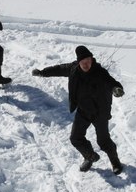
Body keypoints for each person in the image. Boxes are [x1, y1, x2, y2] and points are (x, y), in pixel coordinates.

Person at [32, 45, 125, 174]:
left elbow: (110, 81)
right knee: (75, 138)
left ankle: (115, 162)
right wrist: (42, 72)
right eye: (83, 62)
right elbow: (58, 69)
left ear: (92, 60)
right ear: (78, 62)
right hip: (83, 111)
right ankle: (89, 156)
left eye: (88, 61)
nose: (86, 64)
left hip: (99, 113)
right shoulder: (73, 69)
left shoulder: (100, 72)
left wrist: (116, 88)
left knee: (103, 141)